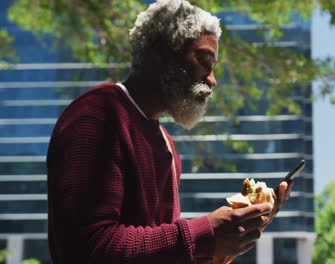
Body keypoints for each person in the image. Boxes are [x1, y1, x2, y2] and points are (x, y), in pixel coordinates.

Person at [47, 0, 292, 263]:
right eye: (204, 61)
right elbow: (87, 248)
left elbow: (162, 251)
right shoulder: (97, 115)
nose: (212, 80)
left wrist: (237, 232)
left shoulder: (166, 144)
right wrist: (205, 234)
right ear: (160, 54)